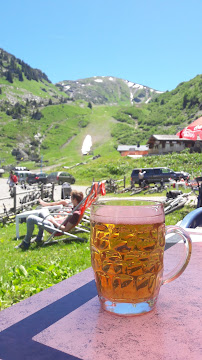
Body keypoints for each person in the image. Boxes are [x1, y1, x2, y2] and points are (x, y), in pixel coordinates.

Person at [15, 190, 84, 250]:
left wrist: (53, 221)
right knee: (41, 212)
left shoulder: (76, 213)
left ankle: (26, 242)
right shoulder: (77, 208)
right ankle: (39, 237)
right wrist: (56, 220)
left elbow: (65, 229)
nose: (70, 199)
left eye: (71, 197)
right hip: (56, 223)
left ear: (75, 199)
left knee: (30, 218)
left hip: (56, 229)